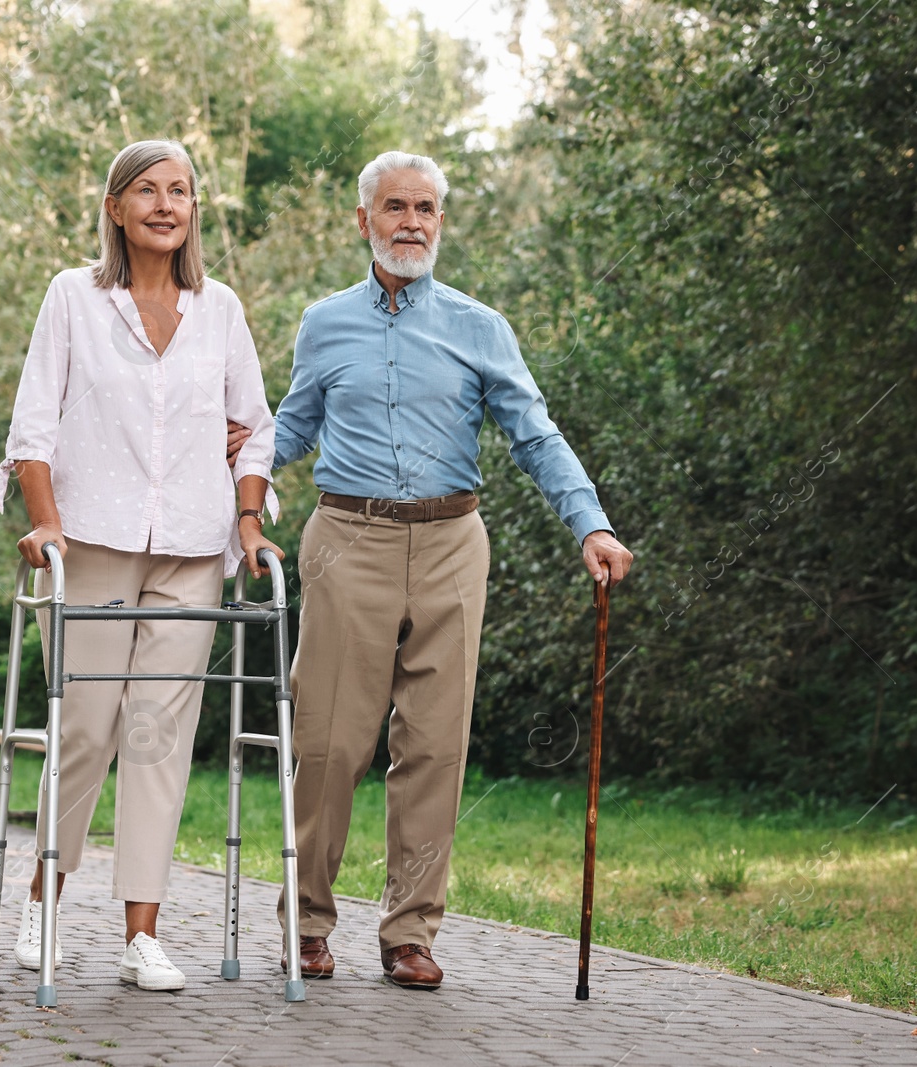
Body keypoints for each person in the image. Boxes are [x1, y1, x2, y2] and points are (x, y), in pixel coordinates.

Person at [240, 150, 633, 990]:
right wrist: (246, 474)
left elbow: (535, 433)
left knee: (434, 746)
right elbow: (294, 425)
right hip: (349, 538)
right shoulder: (324, 322)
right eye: (394, 206)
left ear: (441, 222)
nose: (410, 221)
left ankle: (410, 932)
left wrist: (590, 523)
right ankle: (306, 922)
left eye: (425, 207)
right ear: (364, 221)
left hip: (454, 541)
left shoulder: (479, 326)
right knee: (329, 742)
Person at [0, 138, 282, 992]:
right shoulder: (74, 298)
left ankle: (141, 931)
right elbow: (33, 424)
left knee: (159, 736)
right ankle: (44, 897)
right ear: (115, 206)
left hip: (193, 547)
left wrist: (249, 519)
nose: (166, 204)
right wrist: (45, 521)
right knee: (84, 728)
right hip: (92, 542)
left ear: (196, 209)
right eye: (147, 190)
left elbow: (252, 424)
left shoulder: (218, 308)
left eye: (182, 191)